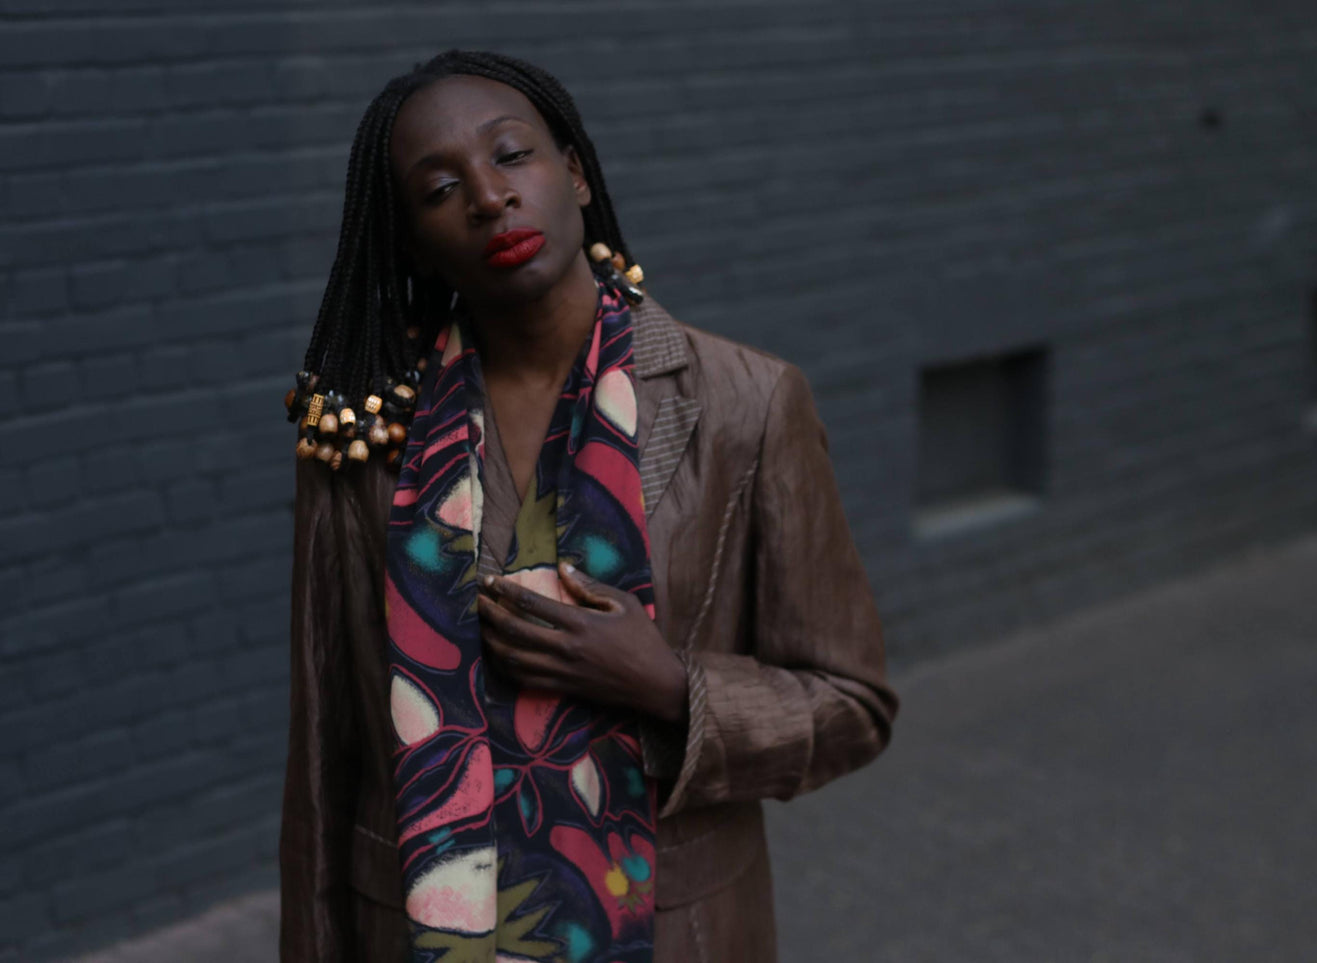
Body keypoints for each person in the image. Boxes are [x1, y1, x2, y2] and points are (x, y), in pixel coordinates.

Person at [279, 49, 898, 963]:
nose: (489, 197)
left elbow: (853, 706)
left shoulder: (747, 403)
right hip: (414, 934)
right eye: (442, 187)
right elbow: (324, 760)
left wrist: (668, 689)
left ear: (572, 170)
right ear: (410, 238)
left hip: (666, 929)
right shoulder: (363, 438)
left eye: (512, 155)